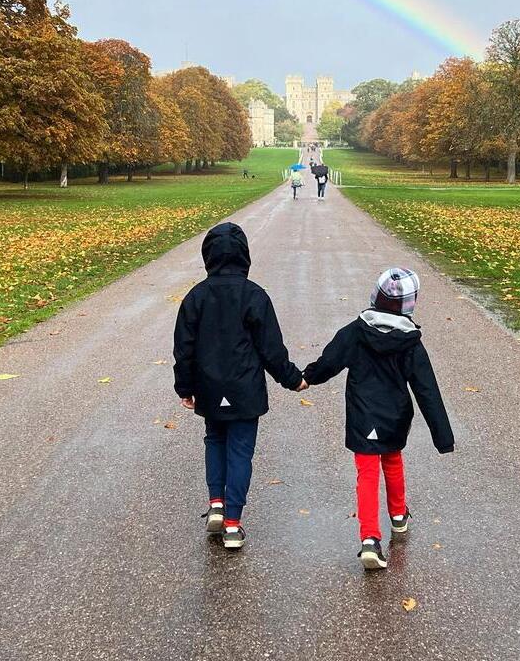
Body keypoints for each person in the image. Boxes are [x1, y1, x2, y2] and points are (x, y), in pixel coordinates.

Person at [303, 268, 454, 570]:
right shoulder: (410, 342)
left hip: (362, 416)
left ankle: (370, 538)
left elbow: (330, 360)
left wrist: (307, 377)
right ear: (410, 304)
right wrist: (443, 437)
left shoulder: (356, 332)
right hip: (394, 416)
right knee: (393, 460)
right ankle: (398, 516)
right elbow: (427, 390)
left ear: (376, 295)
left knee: (367, 472)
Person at [173, 223, 306, 550]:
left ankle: (216, 502)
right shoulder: (255, 296)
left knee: (215, 438)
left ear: (208, 256)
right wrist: (292, 378)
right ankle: (233, 522)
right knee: (240, 450)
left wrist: (184, 387)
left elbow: (184, 347)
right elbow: (271, 349)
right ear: (245, 256)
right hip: (245, 388)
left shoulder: (196, 297)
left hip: (208, 385)